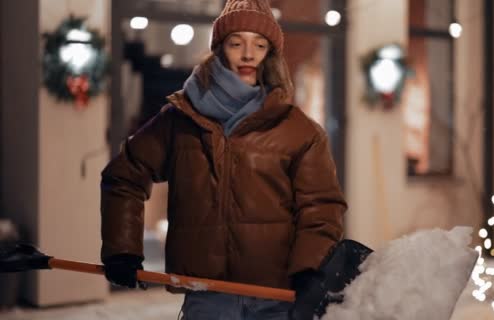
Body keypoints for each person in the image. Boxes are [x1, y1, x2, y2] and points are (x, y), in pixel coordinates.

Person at [99, 0, 346, 319]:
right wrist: (122, 249)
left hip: (275, 296)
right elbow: (124, 176)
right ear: (219, 48)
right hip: (207, 296)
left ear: (269, 52)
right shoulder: (180, 120)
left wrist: (309, 266)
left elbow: (322, 208)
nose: (248, 54)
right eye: (236, 42)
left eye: (259, 44)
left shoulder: (298, 131)